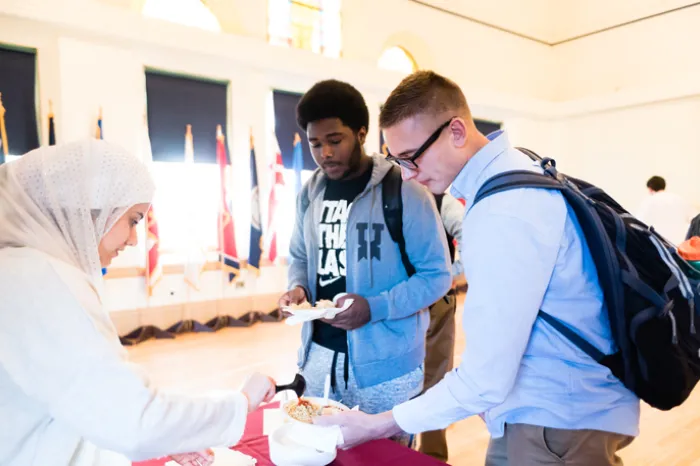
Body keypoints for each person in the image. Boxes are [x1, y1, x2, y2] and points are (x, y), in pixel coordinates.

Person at [315, 71, 640, 465]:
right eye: (396, 160)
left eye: (411, 158)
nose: (406, 173)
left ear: (455, 131)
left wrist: (375, 424)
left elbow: (484, 378)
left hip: (557, 419)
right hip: (556, 408)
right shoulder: (518, 170)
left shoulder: (503, 209)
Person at [0, 140, 276, 466]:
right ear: (95, 209)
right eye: (132, 220)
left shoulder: (20, 268)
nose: (133, 239)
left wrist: (172, 437)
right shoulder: (43, 279)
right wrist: (241, 403)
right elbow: (134, 419)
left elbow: (86, 402)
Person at [278, 79, 451, 445]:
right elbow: (299, 255)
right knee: (320, 450)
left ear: (360, 133)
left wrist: (373, 308)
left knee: (385, 458)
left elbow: (437, 276)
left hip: (387, 369)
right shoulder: (310, 193)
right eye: (315, 143)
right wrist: (298, 288)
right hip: (319, 358)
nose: (324, 152)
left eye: (335, 140)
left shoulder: (405, 190)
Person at [419, 191, 464, 462]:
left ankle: (432, 456)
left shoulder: (440, 201)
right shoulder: (387, 195)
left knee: (435, 379)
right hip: (396, 301)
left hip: (435, 301)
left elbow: (474, 239)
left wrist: (452, 273)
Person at [637, 175, 695, 245]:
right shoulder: (680, 199)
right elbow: (694, 221)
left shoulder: (647, 202)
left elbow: (639, 224)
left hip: (659, 245)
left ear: (650, 189)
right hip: (681, 245)